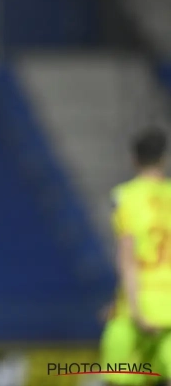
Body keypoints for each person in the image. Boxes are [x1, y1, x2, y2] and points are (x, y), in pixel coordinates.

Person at [100, 127, 171, 386]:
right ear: (164, 159)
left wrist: (132, 307)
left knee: (121, 376)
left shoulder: (126, 196)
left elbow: (127, 259)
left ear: (133, 159)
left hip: (139, 306)